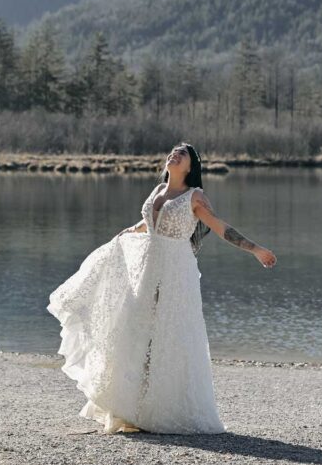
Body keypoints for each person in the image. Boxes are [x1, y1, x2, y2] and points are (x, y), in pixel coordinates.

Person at [46, 142, 277, 435]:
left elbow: (221, 228)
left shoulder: (195, 196)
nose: (174, 154)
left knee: (167, 337)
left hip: (175, 271)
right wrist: (130, 232)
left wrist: (256, 249)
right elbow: (150, 223)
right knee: (136, 333)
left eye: (182, 154)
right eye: (172, 151)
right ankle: (130, 408)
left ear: (191, 167)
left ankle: (160, 410)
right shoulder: (157, 189)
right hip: (146, 267)